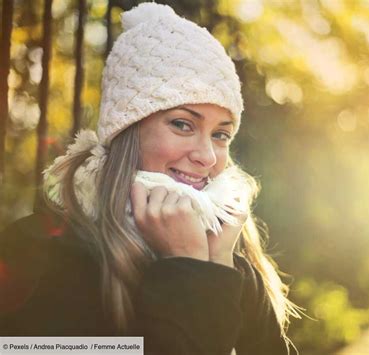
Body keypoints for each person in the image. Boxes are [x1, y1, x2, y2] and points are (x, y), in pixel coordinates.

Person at [0, 3, 300, 354]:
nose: (206, 155)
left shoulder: (232, 262)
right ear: (127, 131)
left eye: (221, 134)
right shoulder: (39, 252)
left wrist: (214, 266)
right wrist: (187, 270)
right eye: (182, 124)